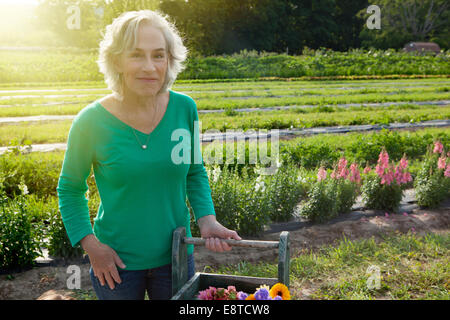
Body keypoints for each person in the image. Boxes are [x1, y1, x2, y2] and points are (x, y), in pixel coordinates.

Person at [56, 9, 241, 300]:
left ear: (169, 60)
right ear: (117, 60)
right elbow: (70, 188)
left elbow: (193, 170)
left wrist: (207, 219)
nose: (149, 67)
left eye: (158, 55)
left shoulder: (184, 109)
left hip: (176, 257)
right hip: (116, 263)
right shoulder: (90, 121)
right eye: (136, 55)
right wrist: (92, 247)